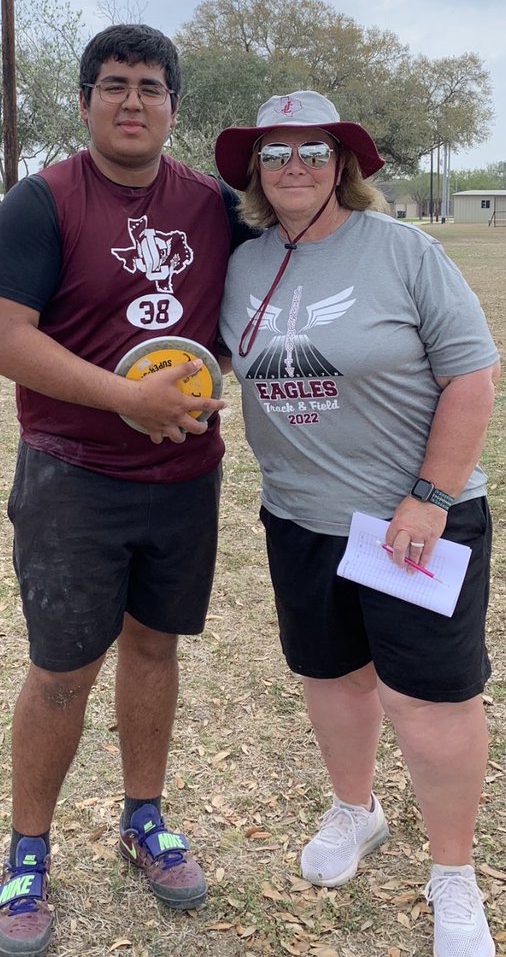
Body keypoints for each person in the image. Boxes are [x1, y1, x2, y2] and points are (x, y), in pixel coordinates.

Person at [0, 24, 253, 957]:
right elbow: (4, 339)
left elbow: (311, 225)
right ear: (86, 100)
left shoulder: (213, 205)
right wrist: (127, 398)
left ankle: (143, 818)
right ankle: (26, 856)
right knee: (61, 673)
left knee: (155, 649)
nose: (133, 101)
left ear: (174, 104)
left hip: (184, 477)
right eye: (114, 85)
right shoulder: (41, 202)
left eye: (151, 87)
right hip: (73, 476)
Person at [215, 91, 500, 957]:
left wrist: (430, 495)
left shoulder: (404, 251)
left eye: (312, 147)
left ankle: (454, 876)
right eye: (274, 151)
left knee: (430, 700)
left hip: (410, 521)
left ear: (340, 161)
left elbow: (472, 378)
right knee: (333, 678)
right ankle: (356, 811)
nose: (293, 163)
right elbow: (213, 362)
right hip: (300, 518)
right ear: (256, 172)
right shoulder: (241, 264)